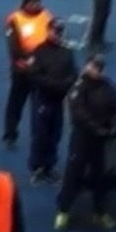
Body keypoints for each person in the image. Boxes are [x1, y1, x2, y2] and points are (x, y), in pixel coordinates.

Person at [53, 56, 116, 230]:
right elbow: (79, 113)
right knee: (73, 174)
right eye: (95, 66)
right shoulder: (78, 88)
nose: (98, 70)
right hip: (82, 138)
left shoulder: (108, 86)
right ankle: (63, 211)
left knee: (99, 175)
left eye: (100, 67)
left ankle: (100, 212)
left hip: (99, 140)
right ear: (87, 66)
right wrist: (97, 128)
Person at [28, 18, 77, 184]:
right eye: (55, 31)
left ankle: (49, 165)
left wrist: (65, 85)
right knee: (40, 134)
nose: (58, 34)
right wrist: (56, 85)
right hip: (42, 98)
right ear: (48, 31)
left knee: (55, 134)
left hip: (58, 100)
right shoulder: (39, 51)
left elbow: (73, 73)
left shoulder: (67, 51)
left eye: (60, 31)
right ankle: (37, 167)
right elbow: (35, 76)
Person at [3, 0, 52, 150]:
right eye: (34, 2)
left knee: (38, 106)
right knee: (16, 103)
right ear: (26, 3)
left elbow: (52, 36)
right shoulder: (14, 19)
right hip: (22, 70)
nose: (38, 5)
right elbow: (14, 48)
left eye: (39, 1)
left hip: (41, 69)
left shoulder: (45, 15)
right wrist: (29, 58)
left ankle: (37, 136)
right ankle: (10, 134)